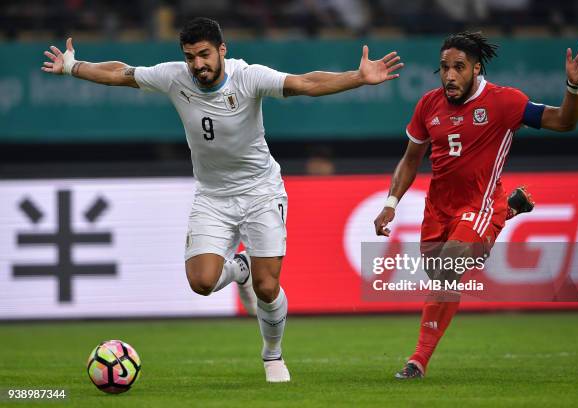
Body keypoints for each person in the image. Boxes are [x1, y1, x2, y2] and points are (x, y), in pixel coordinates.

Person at [42, 17, 403, 383]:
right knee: (201, 282)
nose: (198, 64)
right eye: (190, 57)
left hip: (261, 191)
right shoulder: (174, 77)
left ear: (222, 50)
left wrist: (357, 78)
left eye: (204, 54)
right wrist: (73, 66)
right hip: (213, 196)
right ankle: (239, 269)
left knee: (267, 287)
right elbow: (121, 73)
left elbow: (306, 83)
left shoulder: (248, 77)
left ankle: (272, 356)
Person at [373, 31, 578, 379]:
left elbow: (564, 121)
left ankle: (417, 361)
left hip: (478, 203)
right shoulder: (428, 105)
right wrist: (390, 202)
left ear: (476, 69)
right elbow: (411, 158)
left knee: (449, 267)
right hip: (438, 208)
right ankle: (511, 208)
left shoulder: (505, 102)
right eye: (444, 68)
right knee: (439, 275)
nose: (450, 76)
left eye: (459, 67)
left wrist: (573, 86)